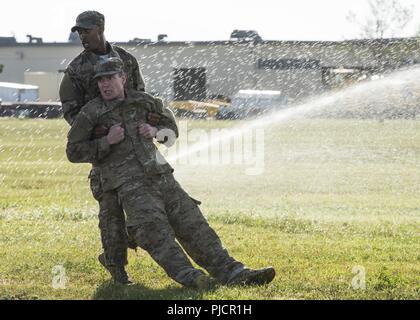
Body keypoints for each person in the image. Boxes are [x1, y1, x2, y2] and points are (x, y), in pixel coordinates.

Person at [66, 57, 276, 289]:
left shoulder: (145, 102)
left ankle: (235, 272)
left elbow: (171, 134)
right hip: (128, 184)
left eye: (110, 78)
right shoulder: (91, 112)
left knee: (194, 224)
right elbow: (73, 152)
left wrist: (155, 131)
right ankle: (191, 277)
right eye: (100, 80)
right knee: (154, 230)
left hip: (162, 176)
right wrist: (106, 141)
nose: (105, 84)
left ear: (123, 78)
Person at [59, 10, 160, 284]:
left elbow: (139, 95)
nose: (81, 36)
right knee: (110, 208)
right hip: (105, 148)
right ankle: (117, 269)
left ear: (100, 27)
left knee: (151, 201)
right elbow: (70, 110)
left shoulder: (126, 60)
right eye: (78, 31)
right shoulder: (77, 69)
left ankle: (131, 236)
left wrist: (150, 119)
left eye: (86, 30)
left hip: (135, 145)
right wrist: (95, 131)